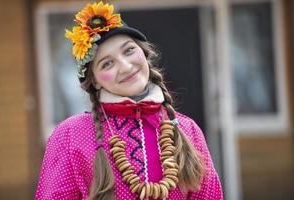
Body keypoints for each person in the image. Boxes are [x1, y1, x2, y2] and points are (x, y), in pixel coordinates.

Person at [35, 1, 223, 200]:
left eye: (129, 50)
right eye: (107, 63)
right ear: (95, 82)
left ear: (144, 53)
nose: (125, 66)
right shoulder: (70, 136)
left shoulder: (188, 130)